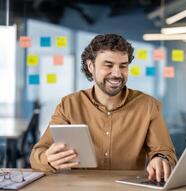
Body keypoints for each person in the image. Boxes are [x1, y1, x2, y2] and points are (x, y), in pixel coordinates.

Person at [29, 34, 177, 182]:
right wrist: (48, 159)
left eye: (123, 66)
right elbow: (37, 154)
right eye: (108, 65)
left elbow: (165, 152)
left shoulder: (148, 106)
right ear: (90, 66)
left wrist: (161, 159)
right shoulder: (69, 105)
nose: (117, 73)